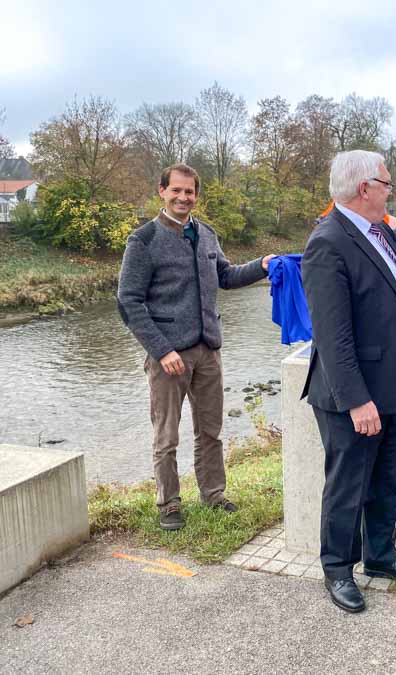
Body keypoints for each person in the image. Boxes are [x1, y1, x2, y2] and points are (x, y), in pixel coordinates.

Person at [301, 150, 396, 612]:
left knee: (386, 480)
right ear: (365, 188)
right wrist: (358, 402)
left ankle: (381, 556)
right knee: (348, 486)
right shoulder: (327, 243)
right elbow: (332, 336)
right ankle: (338, 569)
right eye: (387, 184)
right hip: (355, 396)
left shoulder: (375, 229)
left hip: (391, 387)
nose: (389, 190)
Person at [117, 163, 274, 531]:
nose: (183, 197)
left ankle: (213, 494)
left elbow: (226, 276)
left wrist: (263, 265)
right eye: (177, 190)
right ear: (162, 191)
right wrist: (161, 349)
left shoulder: (206, 235)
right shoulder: (143, 241)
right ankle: (169, 503)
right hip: (168, 356)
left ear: (196, 195)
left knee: (211, 431)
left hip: (208, 351)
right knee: (166, 434)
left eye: (190, 192)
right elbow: (129, 302)